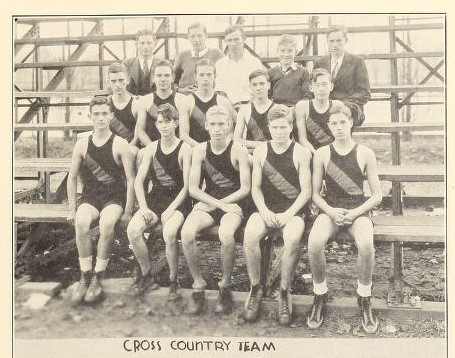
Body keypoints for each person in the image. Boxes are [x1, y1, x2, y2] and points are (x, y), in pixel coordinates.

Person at [306, 105, 382, 333]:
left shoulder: (365, 153)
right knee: (314, 242)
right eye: (334, 123)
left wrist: (355, 213)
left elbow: (377, 195)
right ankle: (320, 294)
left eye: (342, 122)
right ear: (328, 127)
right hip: (331, 209)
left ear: (350, 123)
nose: (339, 127)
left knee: (366, 244)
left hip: (357, 209)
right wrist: (330, 211)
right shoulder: (322, 153)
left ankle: (364, 296)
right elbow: (314, 194)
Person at [243, 105, 312, 326]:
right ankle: (255, 288)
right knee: (250, 235)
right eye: (275, 127)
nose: (279, 131)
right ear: (269, 128)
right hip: (267, 207)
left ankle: (283, 292)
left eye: (283, 127)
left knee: (292, 239)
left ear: (290, 127)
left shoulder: (300, 152)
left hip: (293, 209)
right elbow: (255, 188)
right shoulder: (262, 150)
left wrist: (288, 214)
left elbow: (306, 191)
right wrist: (264, 210)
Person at [180, 105, 251, 315]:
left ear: (229, 125)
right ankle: (198, 284)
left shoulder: (239, 149)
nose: (218, 129)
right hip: (211, 202)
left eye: (222, 124)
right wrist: (215, 204)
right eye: (213, 124)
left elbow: (245, 188)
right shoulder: (199, 150)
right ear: (206, 126)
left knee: (226, 235)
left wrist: (222, 204)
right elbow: (193, 188)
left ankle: (225, 286)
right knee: (186, 233)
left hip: (234, 202)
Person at [67, 96, 135, 305]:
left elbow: (131, 179)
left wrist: (128, 211)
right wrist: (71, 208)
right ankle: (85, 274)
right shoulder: (82, 143)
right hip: (90, 196)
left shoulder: (120, 143)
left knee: (106, 224)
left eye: (105, 113)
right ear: (90, 116)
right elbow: (71, 177)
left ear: (111, 116)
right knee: (80, 222)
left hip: (114, 197)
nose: (101, 118)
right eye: (96, 114)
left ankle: (98, 275)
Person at [126, 104, 192, 298]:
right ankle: (147, 275)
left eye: (168, 121)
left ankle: (173, 279)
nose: (164, 126)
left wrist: (172, 209)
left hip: (179, 201)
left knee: (170, 232)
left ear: (176, 123)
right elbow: (138, 182)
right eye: (160, 122)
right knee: (132, 230)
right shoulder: (151, 148)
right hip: (156, 200)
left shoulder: (184, 148)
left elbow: (187, 186)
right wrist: (144, 207)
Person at [313, 25, 371, 126]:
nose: (335, 45)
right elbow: (315, 88)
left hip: (350, 107)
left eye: (339, 40)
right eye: (331, 41)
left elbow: (364, 92)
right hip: (325, 108)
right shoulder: (320, 63)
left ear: (346, 40)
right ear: (327, 42)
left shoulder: (357, 62)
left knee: (339, 119)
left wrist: (341, 105)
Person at [180, 59, 236, 147]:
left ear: (215, 76)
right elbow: (183, 135)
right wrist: (202, 150)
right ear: (195, 76)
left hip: (220, 151)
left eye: (209, 74)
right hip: (195, 151)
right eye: (201, 75)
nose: (205, 78)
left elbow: (230, 133)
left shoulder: (223, 102)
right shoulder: (187, 102)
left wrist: (220, 149)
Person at [136, 60, 187, 145]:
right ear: (153, 78)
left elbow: (184, 133)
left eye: (167, 75)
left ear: (173, 78)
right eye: (159, 76)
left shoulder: (181, 99)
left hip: (175, 148)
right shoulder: (145, 100)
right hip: (151, 147)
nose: (163, 79)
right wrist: (153, 149)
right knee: (141, 154)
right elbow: (140, 131)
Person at [215, 25, 264, 111]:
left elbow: (260, 88)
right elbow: (220, 92)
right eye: (229, 40)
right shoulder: (220, 64)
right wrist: (231, 111)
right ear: (225, 41)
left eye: (236, 39)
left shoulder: (255, 63)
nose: (233, 44)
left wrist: (247, 110)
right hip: (228, 109)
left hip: (251, 107)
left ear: (244, 39)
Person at [295, 68, 344, 153]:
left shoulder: (337, 105)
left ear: (331, 87)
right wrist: (316, 154)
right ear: (311, 88)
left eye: (324, 84)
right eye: (317, 85)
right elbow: (303, 139)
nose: (321, 89)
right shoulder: (302, 106)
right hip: (311, 152)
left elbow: (341, 136)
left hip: (332, 152)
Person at [173, 22, 224, 95]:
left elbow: (225, 80)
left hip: (209, 98)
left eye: (199, 36)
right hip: (186, 98)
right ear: (188, 37)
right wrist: (180, 90)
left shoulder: (217, 54)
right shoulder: (182, 55)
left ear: (206, 36)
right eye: (193, 36)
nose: (196, 40)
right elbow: (172, 81)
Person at [107, 62, 145, 157]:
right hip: (110, 147)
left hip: (131, 146)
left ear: (127, 80)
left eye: (121, 80)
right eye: (113, 81)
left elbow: (136, 138)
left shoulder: (136, 104)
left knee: (129, 153)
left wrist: (123, 150)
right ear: (109, 83)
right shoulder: (106, 104)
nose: (118, 85)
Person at [234, 69, 276, 152]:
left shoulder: (277, 108)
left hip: (273, 153)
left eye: (262, 84)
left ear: (268, 85)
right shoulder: (244, 110)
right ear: (250, 87)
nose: (258, 88)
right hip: (251, 154)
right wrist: (260, 145)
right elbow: (236, 139)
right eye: (254, 85)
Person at [268, 34, 311, 107]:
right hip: (276, 110)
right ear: (277, 51)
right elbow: (268, 96)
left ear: (296, 52)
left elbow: (307, 96)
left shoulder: (303, 72)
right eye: (282, 51)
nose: (286, 54)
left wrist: (297, 109)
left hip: (296, 109)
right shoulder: (271, 72)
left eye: (290, 51)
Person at [123, 29, 161, 96]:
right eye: (142, 43)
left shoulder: (162, 64)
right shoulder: (127, 64)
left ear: (154, 45)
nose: (145, 47)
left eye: (149, 43)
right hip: (133, 104)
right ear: (136, 44)